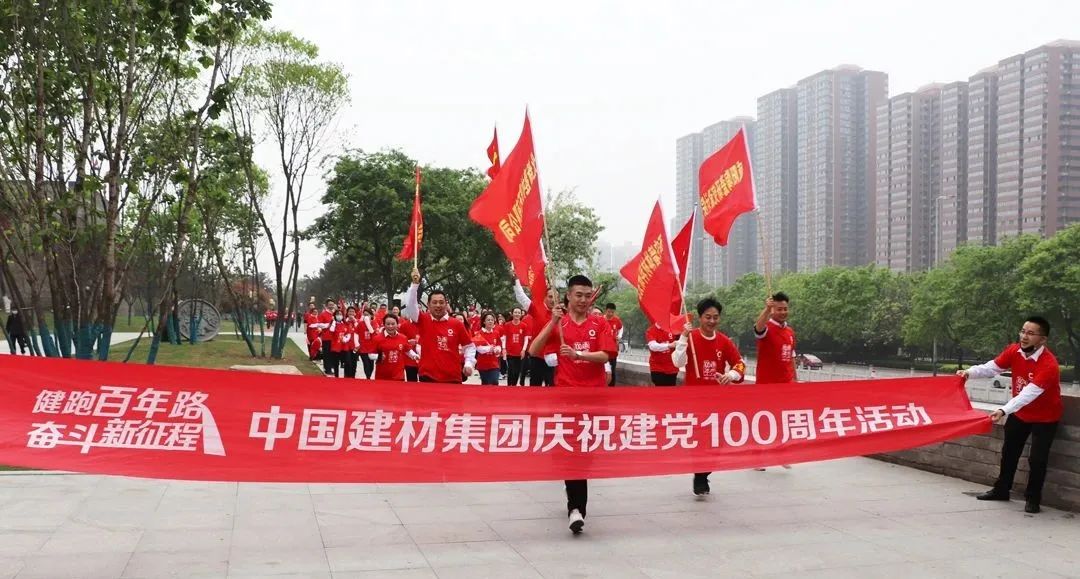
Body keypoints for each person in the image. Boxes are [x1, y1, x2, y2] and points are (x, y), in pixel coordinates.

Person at [527, 274, 617, 535]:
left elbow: (605, 355)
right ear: (568, 296)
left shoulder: (599, 323)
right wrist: (553, 322)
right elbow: (533, 350)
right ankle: (576, 509)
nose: (583, 300)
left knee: (584, 453)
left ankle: (575, 504)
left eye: (588, 295)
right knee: (569, 451)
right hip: (565, 398)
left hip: (593, 398)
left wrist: (578, 354)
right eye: (578, 295)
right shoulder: (560, 323)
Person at [959, 316, 1062, 514]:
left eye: (1030, 333)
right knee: (1009, 453)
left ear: (1043, 339)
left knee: (1037, 459)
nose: (1024, 336)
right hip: (1020, 413)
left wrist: (1003, 410)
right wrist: (969, 373)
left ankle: (1033, 499)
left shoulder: (1049, 364)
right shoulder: (1014, 351)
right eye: (1023, 331)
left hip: (1045, 417)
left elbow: (1028, 394)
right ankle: (1001, 490)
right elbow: (992, 367)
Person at [673, 297, 747, 495]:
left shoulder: (723, 341)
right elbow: (677, 362)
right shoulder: (690, 338)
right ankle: (700, 475)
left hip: (717, 401)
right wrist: (683, 338)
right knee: (699, 439)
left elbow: (740, 364)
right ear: (700, 317)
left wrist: (731, 375)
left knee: (716, 441)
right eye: (708, 317)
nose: (712, 321)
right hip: (695, 401)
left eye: (715, 317)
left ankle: (704, 472)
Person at [404, 269, 476, 383]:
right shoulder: (423, 319)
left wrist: (468, 364)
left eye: (441, 302)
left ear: (446, 304)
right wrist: (415, 284)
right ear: (428, 305)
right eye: (434, 302)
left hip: (452, 377)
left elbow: (469, 346)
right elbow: (410, 306)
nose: (438, 305)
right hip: (427, 376)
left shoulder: (456, 323)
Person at [514, 280, 560, 386]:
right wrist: (516, 282)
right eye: (550, 297)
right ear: (545, 297)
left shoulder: (562, 313)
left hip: (554, 358)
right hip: (537, 356)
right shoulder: (537, 308)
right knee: (535, 386)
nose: (553, 300)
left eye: (556, 297)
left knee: (553, 388)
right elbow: (521, 297)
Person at [753, 293, 796, 385]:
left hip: (787, 384)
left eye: (785, 309)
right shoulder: (766, 328)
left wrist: (795, 380)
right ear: (772, 310)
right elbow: (758, 328)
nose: (783, 312)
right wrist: (767, 309)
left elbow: (791, 357)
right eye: (779, 309)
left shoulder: (790, 332)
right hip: (767, 384)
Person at [372, 314, 417, 381]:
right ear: (384, 325)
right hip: (382, 375)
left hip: (398, 375)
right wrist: (379, 356)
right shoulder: (377, 339)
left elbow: (407, 350)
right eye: (388, 324)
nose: (390, 326)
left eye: (393, 324)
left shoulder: (403, 338)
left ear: (397, 324)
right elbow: (370, 355)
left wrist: (415, 356)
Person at [502, 307, 531, 386]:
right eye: (515, 312)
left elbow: (526, 339)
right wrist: (504, 348)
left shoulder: (524, 325)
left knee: (517, 371)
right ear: (512, 314)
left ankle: (514, 385)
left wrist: (524, 350)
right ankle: (509, 385)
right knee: (511, 369)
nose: (517, 314)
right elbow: (504, 337)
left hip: (519, 352)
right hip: (509, 352)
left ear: (521, 314)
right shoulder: (507, 325)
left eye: (519, 313)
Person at [473, 311, 503, 385]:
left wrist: (498, 350)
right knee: (485, 384)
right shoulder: (479, 333)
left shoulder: (496, 333)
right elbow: (478, 348)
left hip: (494, 363)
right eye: (488, 320)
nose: (490, 321)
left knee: (494, 381)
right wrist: (489, 348)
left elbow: (499, 345)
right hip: (483, 364)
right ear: (484, 322)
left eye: (492, 320)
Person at [332, 306, 360, 378]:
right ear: (347, 313)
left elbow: (359, 329)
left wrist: (354, 321)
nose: (351, 313)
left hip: (355, 346)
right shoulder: (344, 322)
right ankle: (346, 377)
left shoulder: (357, 321)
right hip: (346, 346)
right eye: (350, 311)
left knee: (354, 363)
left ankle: (352, 377)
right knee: (347, 362)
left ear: (355, 313)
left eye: (353, 312)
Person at [603, 303, 624, 385]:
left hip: (613, 349)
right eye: (609, 312)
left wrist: (619, 336)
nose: (610, 314)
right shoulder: (601, 320)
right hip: (603, 349)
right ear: (606, 311)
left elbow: (621, 327)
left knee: (612, 370)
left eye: (612, 312)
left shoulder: (616, 320)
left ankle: (612, 387)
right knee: (603, 370)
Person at [316, 300, 338, 375]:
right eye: (330, 304)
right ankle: (327, 369)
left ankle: (331, 367)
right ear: (327, 305)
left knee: (333, 354)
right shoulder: (323, 314)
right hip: (327, 337)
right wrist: (328, 325)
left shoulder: (335, 314)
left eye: (332, 304)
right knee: (327, 354)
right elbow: (318, 324)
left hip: (335, 337)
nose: (331, 306)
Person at [357, 308, 379, 379]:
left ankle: (369, 376)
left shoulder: (374, 323)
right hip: (363, 348)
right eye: (364, 315)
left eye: (367, 315)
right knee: (366, 363)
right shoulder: (360, 324)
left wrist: (368, 324)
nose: (365, 316)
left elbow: (374, 333)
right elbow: (356, 333)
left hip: (371, 348)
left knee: (371, 365)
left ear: (371, 315)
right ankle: (368, 377)